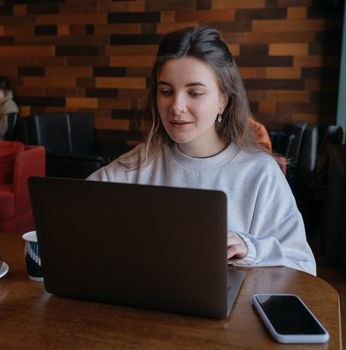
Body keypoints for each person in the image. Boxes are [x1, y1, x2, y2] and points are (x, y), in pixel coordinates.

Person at [87, 25, 316, 275]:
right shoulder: (138, 164)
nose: (176, 106)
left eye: (194, 92)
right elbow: (72, 217)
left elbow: (303, 265)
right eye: (166, 91)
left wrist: (251, 250)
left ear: (223, 100)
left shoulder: (259, 172)